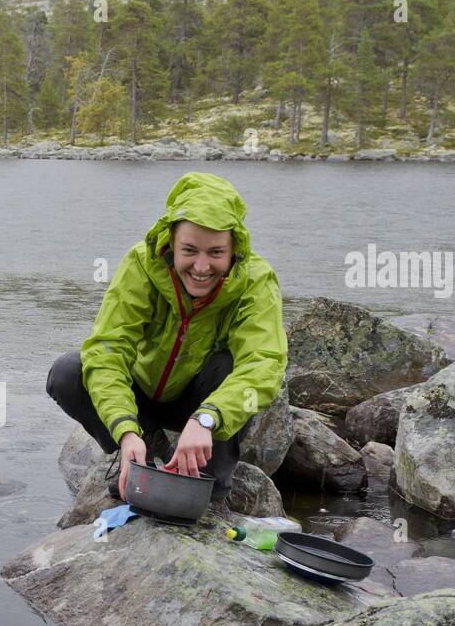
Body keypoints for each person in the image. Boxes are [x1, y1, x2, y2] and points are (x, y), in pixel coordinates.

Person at [46, 172, 287, 515]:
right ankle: (146, 447)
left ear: (235, 249)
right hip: (144, 395)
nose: (201, 267)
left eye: (216, 252)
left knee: (229, 366)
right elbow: (108, 350)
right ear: (171, 242)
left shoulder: (256, 280)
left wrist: (206, 419)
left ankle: (210, 477)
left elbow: (263, 363)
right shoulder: (141, 264)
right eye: (189, 250)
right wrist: (127, 431)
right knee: (70, 371)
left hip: (201, 400)